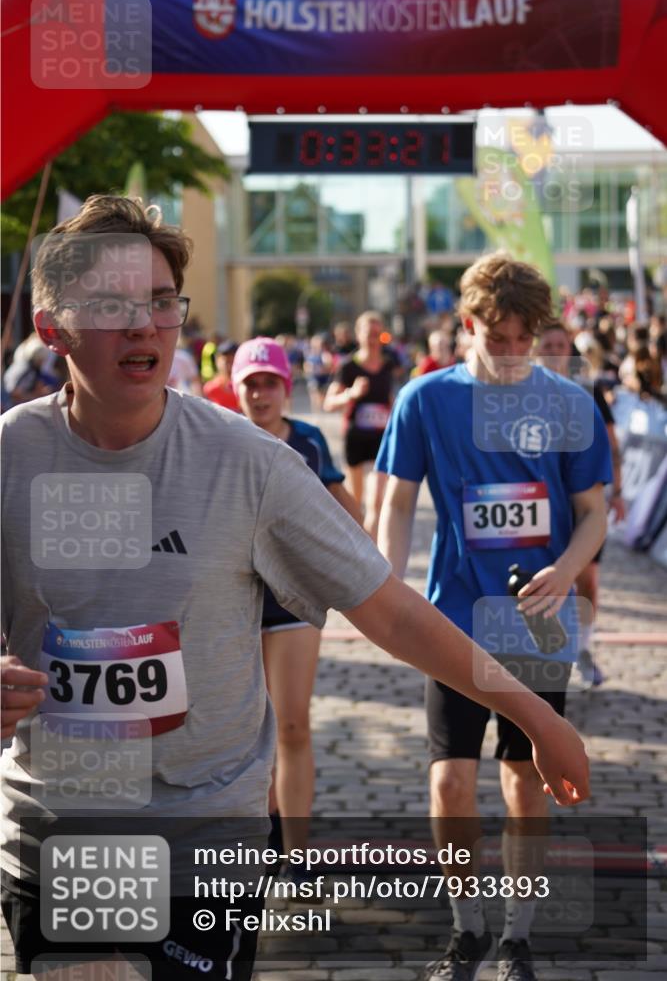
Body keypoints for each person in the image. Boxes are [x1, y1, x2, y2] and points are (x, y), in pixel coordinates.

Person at [2, 203, 590, 981]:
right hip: (59, 831)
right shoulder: (13, 453)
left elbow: (387, 610)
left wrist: (532, 713)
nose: (143, 325)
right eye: (111, 306)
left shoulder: (250, 465)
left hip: (200, 841)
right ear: (53, 327)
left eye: (160, 302)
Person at [377, 252, 612, 981]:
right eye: (496, 336)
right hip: (451, 618)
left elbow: (593, 515)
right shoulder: (424, 399)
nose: (511, 352)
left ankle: (517, 935)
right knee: (449, 782)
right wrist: (389, 589)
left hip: (535, 621)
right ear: (466, 325)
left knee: (521, 779)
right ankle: (465, 927)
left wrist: (565, 573)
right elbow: (393, 504)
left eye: (523, 338)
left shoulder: (568, 403)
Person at [231, 336, 361, 884]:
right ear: (236, 389)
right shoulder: (223, 439)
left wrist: (368, 561)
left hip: (290, 604)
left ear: (287, 388)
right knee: (241, 733)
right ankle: (257, 845)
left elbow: (342, 506)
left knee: (291, 725)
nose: (260, 394)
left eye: (270, 383)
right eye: (251, 384)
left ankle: (299, 855)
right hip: (231, 603)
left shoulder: (307, 440)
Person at [536, 322, 625, 687]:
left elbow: (611, 443)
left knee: (587, 577)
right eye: (549, 344)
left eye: (562, 343)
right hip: (543, 502)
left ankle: (584, 648)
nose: (556, 350)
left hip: (585, 497)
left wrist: (618, 492)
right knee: (542, 578)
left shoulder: (587, 389)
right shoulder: (520, 392)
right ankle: (537, 658)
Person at [324, 311, 399, 540]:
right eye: (369, 334)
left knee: (376, 499)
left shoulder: (388, 366)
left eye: (378, 334)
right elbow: (329, 403)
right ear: (359, 335)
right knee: (355, 503)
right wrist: (351, 394)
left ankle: (373, 553)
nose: (374, 339)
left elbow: (390, 399)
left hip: (381, 439)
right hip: (355, 437)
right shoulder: (348, 367)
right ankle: (359, 548)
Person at [203, 339, 240, 411]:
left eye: (232, 359)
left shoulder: (245, 387)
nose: (228, 364)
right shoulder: (210, 388)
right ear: (217, 361)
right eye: (225, 360)